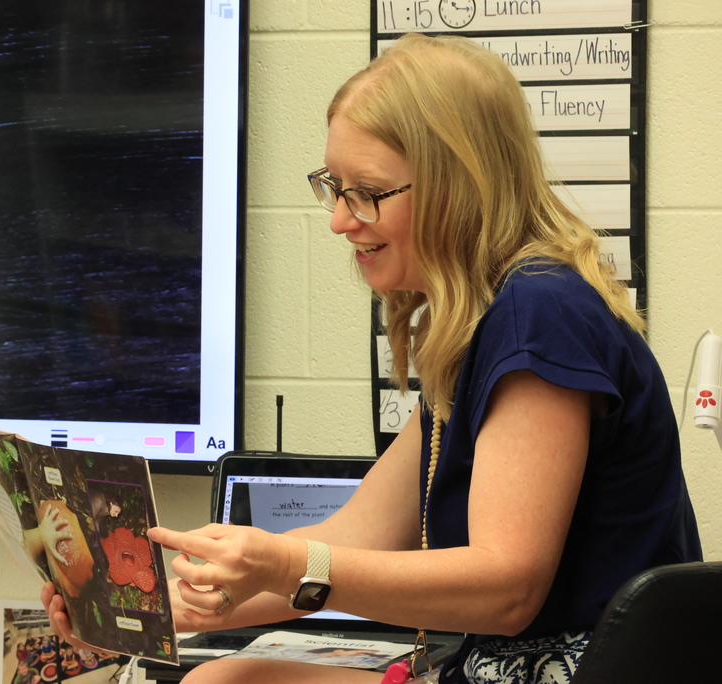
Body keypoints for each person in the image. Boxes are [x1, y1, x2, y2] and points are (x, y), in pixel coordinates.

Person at [42, 33, 702, 684]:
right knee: (226, 678)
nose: (339, 219)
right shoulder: (485, 326)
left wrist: (284, 563)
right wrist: (143, 604)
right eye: (335, 186)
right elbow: (358, 536)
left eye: (368, 191)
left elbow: (507, 588)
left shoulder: (541, 315)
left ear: (457, 185)